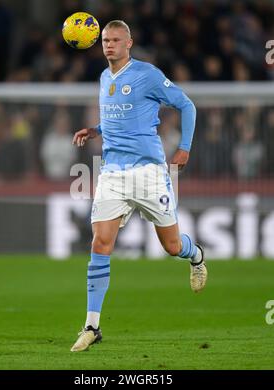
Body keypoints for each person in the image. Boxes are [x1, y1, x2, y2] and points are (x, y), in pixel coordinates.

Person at [71, 20, 207, 352]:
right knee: (100, 244)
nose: (109, 45)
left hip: (149, 172)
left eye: (116, 40)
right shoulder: (105, 77)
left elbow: (186, 104)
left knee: (172, 246)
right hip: (112, 174)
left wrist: (185, 146)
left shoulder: (147, 74)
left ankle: (197, 256)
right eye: (105, 40)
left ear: (129, 43)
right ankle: (91, 325)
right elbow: (119, 116)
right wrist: (95, 129)